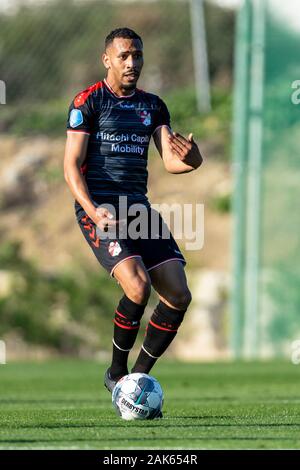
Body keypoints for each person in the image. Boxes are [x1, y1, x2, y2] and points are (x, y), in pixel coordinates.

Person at [64, 27, 203, 397]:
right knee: (138, 286)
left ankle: (135, 381)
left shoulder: (153, 105)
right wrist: (92, 211)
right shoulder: (87, 103)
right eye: (124, 55)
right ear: (106, 59)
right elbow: (71, 166)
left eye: (137, 55)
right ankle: (115, 370)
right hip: (101, 211)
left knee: (178, 295)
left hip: (138, 210)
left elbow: (172, 161)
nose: (132, 62)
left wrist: (194, 160)